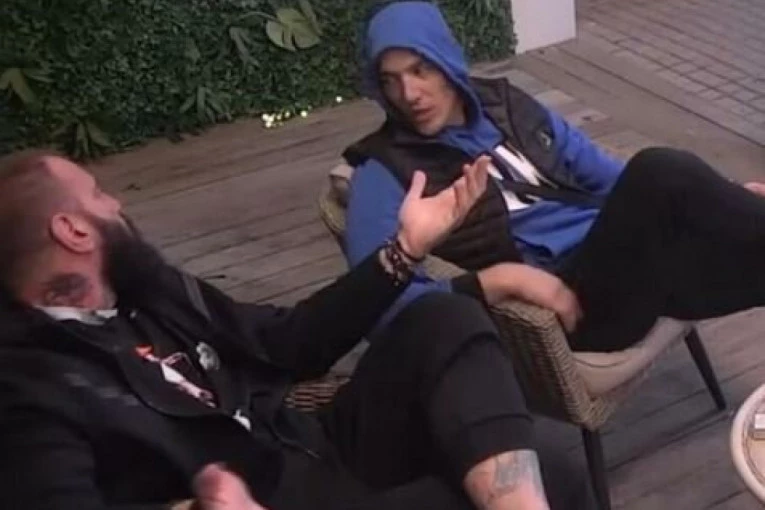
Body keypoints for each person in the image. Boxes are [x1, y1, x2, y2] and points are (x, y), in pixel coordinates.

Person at [0, 150, 595, 510]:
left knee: (443, 318)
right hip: (273, 497)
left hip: (315, 444)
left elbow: (287, 343)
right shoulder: (30, 388)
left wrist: (404, 251)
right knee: (555, 474)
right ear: (73, 232)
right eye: (98, 195)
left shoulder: (148, 291)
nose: (116, 202)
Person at [345, 0, 765, 352]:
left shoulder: (505, 105)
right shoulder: (383, 169)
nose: (409, 94)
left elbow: (606, 175)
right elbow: (372, 306)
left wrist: (718, 199)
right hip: (578, 304)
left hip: (626, 257)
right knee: (660, 168)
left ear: (446, 61)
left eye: (421, 70)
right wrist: (500, 280)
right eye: (390, 81)